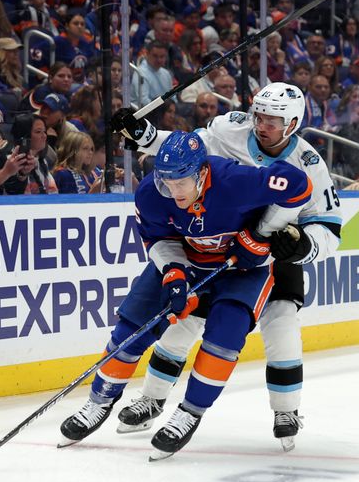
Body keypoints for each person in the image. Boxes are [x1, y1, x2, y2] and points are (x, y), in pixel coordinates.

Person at [112, 81, 342, 451]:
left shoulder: (309, 164)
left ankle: (286, 409)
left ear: (293, 123)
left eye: (273, 119)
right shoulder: (229, 128)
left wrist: (300, 246)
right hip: (215, 241)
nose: (262, 124)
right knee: (184, 318)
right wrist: (145, 135)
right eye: (260, 115)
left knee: (281, 321)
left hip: (269, 249)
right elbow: (184, 149)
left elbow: (330, 228)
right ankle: (153, 398)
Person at [59, 129, 313, 459]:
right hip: (188, 263)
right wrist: (175, 275)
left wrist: (260, 234)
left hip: (242, 270)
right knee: (132, 327)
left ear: (203, 172)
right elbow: (158, 240)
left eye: (181, 182)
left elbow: (299, 185)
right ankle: (99, 401)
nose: (174, 191)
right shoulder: (151, 193)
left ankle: (190, 412)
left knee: (225, 336)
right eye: (167, 182)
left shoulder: (235, 180)